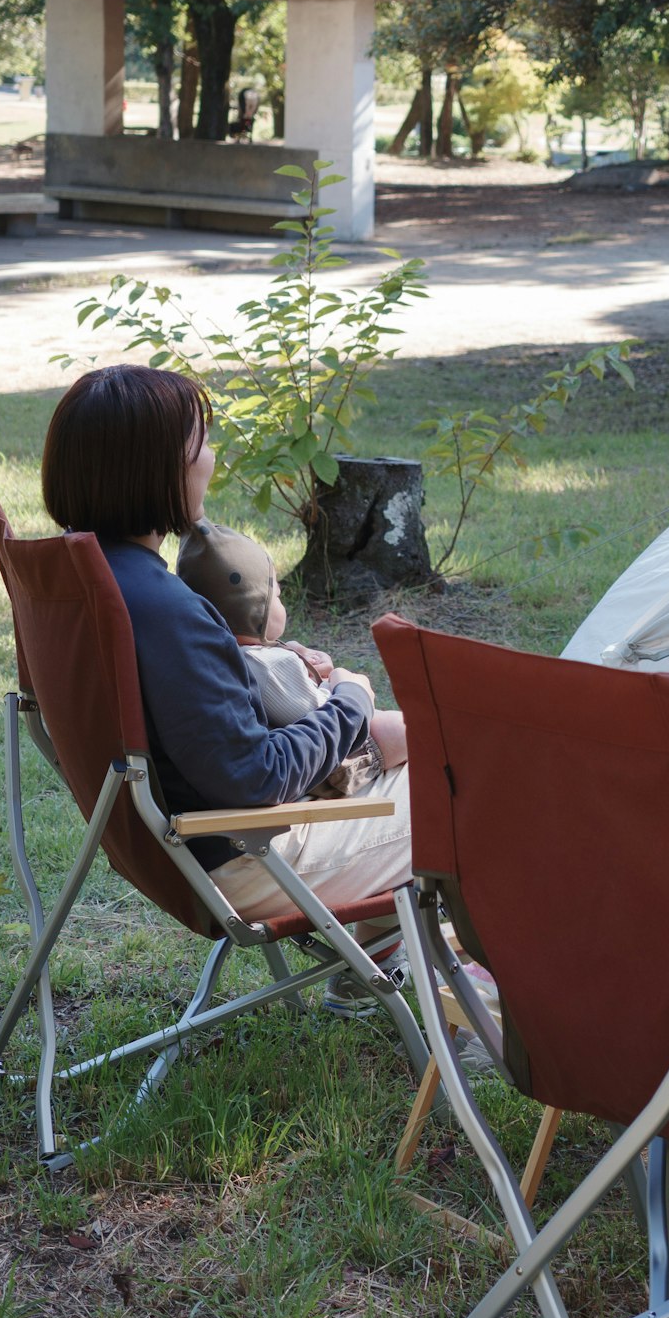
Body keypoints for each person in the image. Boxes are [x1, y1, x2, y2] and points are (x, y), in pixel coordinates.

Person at [40, 364, 410, 913]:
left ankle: (381, 968)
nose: (212, 458)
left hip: (166, 848)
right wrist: (350, 701)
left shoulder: (79, 578)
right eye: (203, 442)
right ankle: (441, 972)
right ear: (157, 470)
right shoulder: (165, 609)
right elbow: (257, 777)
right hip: (244, 857)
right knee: (464, 778)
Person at [175, 519, 380, 798]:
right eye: (278, 597)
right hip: (322, 767)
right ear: (256, 613)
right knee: (400, 730)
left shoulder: (225, 655)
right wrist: (346, 687)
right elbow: (322, 716)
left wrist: (297, 659)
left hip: (296, 757)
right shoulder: (268, 666)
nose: (282, 605)